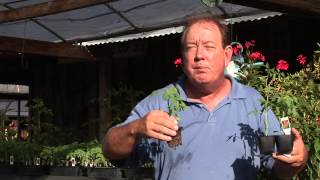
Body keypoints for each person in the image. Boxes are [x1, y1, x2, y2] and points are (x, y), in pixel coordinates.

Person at [103, 16, 308, 179]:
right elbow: (110, 149)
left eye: (209, 46)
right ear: (183, 57)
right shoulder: (160, 102)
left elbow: (280, 166)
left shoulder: (252, 103)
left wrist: (297, 159)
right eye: (191, 47)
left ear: (227, 55)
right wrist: (135, 128)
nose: (199, 55)